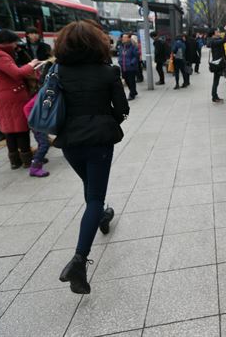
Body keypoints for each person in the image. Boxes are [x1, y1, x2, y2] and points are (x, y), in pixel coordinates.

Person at [53, 21, 129, 294]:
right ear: (97, 43)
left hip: (69, 142)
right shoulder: (108, 72)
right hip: (99, 140)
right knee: (94, 196)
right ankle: (79, 260)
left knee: (90, 188)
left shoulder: (57, 72)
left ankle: (101, 216)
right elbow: (122, 110)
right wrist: (109, 119)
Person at [0, 29, 41, 169]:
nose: (16, 45)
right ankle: (27, 159)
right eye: (14, 42)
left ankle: (15, 160)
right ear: (6, 42)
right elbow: (16, 74)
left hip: (3, 94)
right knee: (21, 128)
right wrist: (31, 64)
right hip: (13, 95)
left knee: (9, 129)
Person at [206, 26, 226, 102]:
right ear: (213, 33)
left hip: (218, 62)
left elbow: (223, 39)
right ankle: (214, 96)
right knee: (216, 80)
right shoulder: (213, 41)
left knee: (216, 80)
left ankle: (215, 95)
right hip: (217, 63)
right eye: (217, 31)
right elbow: (224, 40)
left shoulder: (214, 40)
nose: (219, 33)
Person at [118, 33, 139, 100]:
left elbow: (136, 56)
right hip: (123, 67)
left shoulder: (133, 46)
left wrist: (132, 63)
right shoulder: (121, 46)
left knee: (131, 81)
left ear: (129, 38)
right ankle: (134, 91)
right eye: (123, 37)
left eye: (125, 37)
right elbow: (120, 55)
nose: (123, 38)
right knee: (126, 80)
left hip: (131, 67)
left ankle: (132, 94)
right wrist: (119, 61)